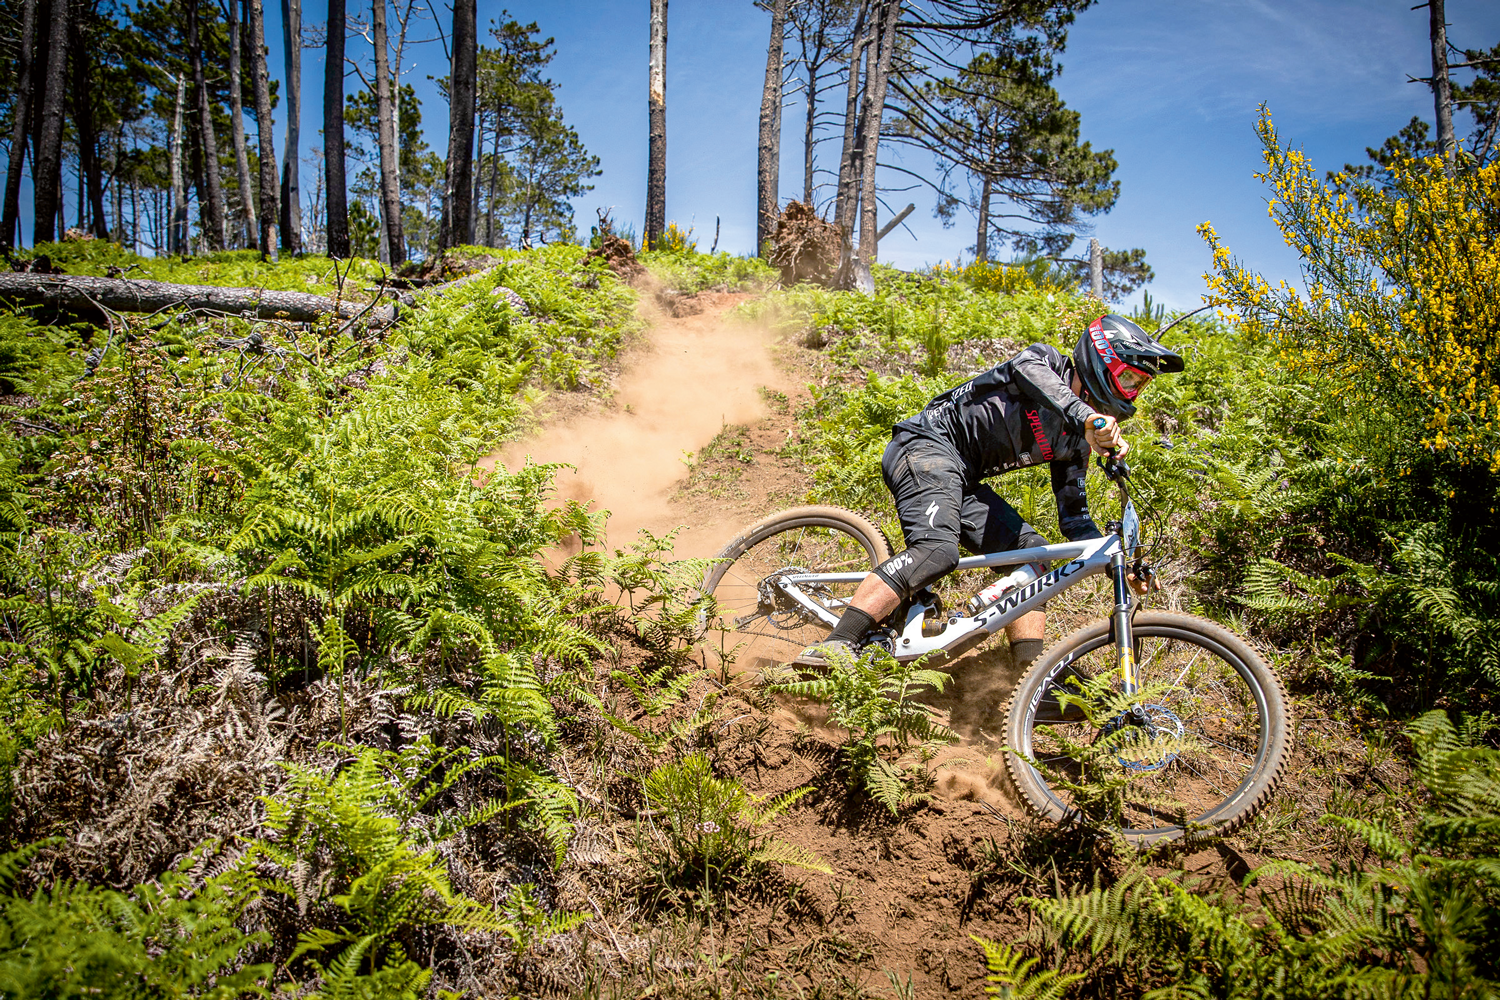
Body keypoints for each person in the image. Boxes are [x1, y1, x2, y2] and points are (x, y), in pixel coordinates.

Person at [795, 314, 1184, 669]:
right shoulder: (1044, 362)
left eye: (1140, 385)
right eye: (1130, 379)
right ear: (1102, 359)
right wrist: (1088, 418)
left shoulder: (1074, 442)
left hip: (962, 479)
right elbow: (1030, 374)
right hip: (926, 445)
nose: (1133, 392)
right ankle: (835, 644)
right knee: (937, 551)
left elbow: (1075, 519)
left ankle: (1027, 679)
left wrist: (1119, 560)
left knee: (1034, 559)